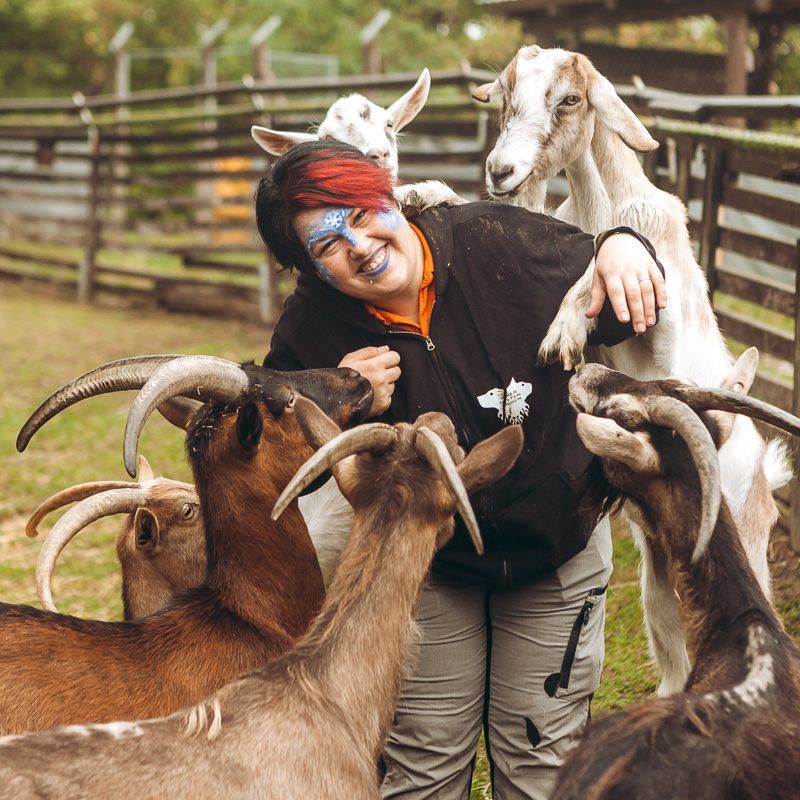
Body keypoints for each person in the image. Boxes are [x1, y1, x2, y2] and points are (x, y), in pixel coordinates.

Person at [256, 140, 666, 800]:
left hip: (556, 544)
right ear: (309, 271)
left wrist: (623, 244)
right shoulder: (313, 327)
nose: (358, 246)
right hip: (426, 564)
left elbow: (617, 288)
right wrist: (333, 392)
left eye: (360, 214)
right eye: (327, 244)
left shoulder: (500, 242)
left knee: (541, 756)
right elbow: (272, 446)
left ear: (388, 196)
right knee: (425, 761)